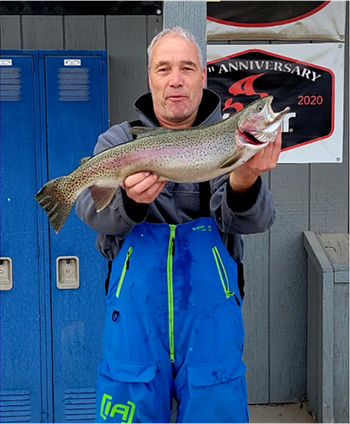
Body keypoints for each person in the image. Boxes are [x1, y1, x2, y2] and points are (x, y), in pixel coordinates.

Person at [76, 26, 282, 424]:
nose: (175, 80)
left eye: (187, 68)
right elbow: (91, 210)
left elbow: (258, 220)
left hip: (210, 323)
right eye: (164, 68)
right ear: (150, 76)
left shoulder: (228, 138)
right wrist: (128, 201)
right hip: (135, 321)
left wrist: (244, 180)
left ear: (203, 76)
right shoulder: (117, 141)